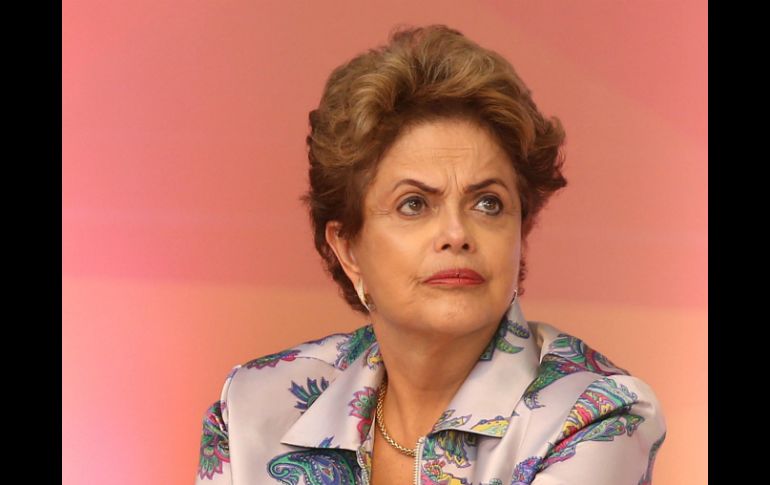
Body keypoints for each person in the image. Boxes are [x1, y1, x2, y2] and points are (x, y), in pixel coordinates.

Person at [194, 24, 666, 485]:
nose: (457, 234)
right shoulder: (253, 409)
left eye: (488, 203)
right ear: (348, 248)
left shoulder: (597, 415)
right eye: (414, 204)